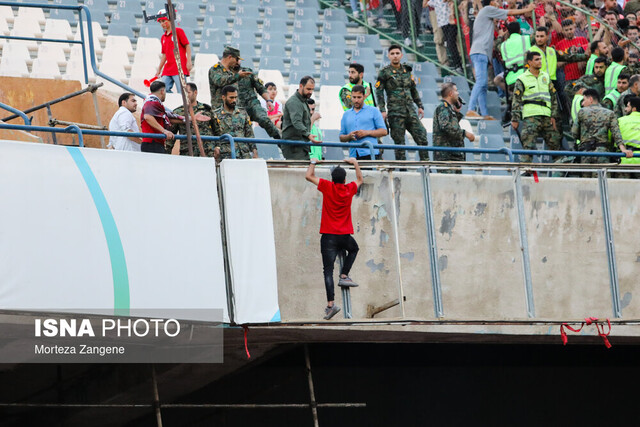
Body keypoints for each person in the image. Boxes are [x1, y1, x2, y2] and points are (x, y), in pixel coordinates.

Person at [305, 157, 363, 321]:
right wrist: (355, 163)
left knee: (328, 271)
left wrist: (314, 162)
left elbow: (309, 176)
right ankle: (344, 275)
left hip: (328, 236)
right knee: (354, 249)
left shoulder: (327, 186)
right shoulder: (349, 188)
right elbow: (360, 179)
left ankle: (331, 305)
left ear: (332, 179)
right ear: (345, 179)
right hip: (344, 235)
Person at [466, 0, 534, 119]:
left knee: (483, 86)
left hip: (482, 53)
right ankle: (470, 109)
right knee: (481, 82)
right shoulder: (488, 10)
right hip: (480, 52)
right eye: (496, 1)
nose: (498, 2)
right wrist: (528, 10)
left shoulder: (485, 14)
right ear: (491, 3)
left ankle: (485, 113)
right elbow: (510, 12)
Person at [375, 44, 428, 160]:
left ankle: (425, 165)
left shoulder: (407, 70)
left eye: (397, 53)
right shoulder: (384, 72)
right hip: (395, 113)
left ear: (401, 55)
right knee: (400, 144)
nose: (395, 56)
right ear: (388, 56)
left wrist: (420, 106)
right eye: (392, 54)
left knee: (422, 136)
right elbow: (379, 92)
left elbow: (413, 89)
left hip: (410, 111)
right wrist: (383, 110)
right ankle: (402, 170)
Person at [511, 51, 559, 163]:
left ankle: (560, 172)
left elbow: (553, 98)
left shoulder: (546, 76)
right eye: (536, 59)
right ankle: (525, 171)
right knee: (528, 146)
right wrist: (515, 118)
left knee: (555, 144)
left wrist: (554, 115)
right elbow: (516, 100)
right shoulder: (522, 78)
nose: (540, 62)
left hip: (547, 116)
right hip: (531, 116)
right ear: (529, 62)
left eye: (540, 59)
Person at [571, 88, 623, 176]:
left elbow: (574, 133)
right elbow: (616, 134)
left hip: (586, 152)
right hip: (603, 153)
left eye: (584, 100)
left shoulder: (582, 112)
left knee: (586, 185)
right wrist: (623, 149)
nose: (582, 103)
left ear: (590, 99)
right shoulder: (610, 113)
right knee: (602, 183)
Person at [233, 48, 282, 140]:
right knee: (239, 127)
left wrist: (269, 101)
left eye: (238, 60)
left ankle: (280, 143)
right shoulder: (225, 75)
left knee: (265, 120)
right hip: (236, 108)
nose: (237, 62)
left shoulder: (247, 72)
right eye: (236, 59)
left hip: (252, 105)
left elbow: (260, 88)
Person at [432, 83, 476, 172]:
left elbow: (451, 125)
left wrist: (456, 113)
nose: (458, 93)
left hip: (453, 156)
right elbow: (446, 127)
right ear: (450, 93)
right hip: (446, 157)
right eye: (456, 90)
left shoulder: (448, 108)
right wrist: (465, 133)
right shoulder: (443, 107)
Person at [166, 82, 216, 157]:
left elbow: (217, 131)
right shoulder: (178, 112)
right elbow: (171, 136)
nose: (185, 95)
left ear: (195, 92)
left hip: (207, 152)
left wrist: (218, 148)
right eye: (183, 93)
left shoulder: (207, 110)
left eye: (188, 92)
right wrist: (166, 154)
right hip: (187, 153)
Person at [339, 85, 387, 160]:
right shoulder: (346, 114)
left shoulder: (374, 111)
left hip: (370, 153)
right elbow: (341, 137)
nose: (356, 100)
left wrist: (366, 133)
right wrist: (349, 136)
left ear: (364, 97)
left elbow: (384, 131)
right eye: (354, 97)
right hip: (353, 155)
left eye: (359, 97)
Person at [211, 85, 257, 160]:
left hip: (244, 154)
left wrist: (254, 151)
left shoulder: (242, 113)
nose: (234, 100)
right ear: (223, 97)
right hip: (226, 155)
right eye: (231, 98)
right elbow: (213, 135)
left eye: (235, 97)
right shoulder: (216, 115)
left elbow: (249, 133)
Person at [140, 80, 185, 153]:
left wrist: (189, 119)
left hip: (155, 142)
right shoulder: (151, 102)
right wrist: (164, 131)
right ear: (162, 91)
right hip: (152, 143)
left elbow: (167, 118)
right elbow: (147, 116)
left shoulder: (154, 103)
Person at [281, 76, 320, 160]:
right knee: (299, 171)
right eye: (308, 89)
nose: (310, 92)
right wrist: (308, 135)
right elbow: (297, 122)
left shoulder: (303, 100)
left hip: (301, 145)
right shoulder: (294, 102)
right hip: (294, 147)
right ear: (301, 86)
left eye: (312, 89)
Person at [154, 9, 191, 94]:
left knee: (182, 92)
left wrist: (189, 61)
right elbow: (164, 55)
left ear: (170, 20)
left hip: (179, 67)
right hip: (168, 68)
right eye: (160, 22)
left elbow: (187, 46)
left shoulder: (178, 31)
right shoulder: (163, 37)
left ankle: (182, 106)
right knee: (162, 90)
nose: (162, 24)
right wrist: (159, 69)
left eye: (164, 21)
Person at [208, 46, 252, 110]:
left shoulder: (232, 71)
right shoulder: (215, 69)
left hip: (234, 110)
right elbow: (219, 81)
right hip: (220, 111)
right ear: (230, 57)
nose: (237, 62)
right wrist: (238, 76)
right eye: (236, 59)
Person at [554, 19, 589, 85]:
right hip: (569, 78)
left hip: (584, 75)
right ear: (562, 31)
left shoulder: (582, 40)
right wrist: (570, 56)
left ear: (574, 28)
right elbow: (557, 64)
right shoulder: (559, 45)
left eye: (570, 29)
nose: (569, 32)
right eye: (566, 30)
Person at [499, 22, 531, 88]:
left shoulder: (503, 45)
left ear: (508, 32)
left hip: (511, 79)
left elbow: (497, 45)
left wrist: (500, 36)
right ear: (520, 31)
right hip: (526, 75)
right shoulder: (526, 39)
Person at [617, 95, 640, 169]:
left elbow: (611, 137)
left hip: (624, 159)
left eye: (627, 106)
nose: (625, 109)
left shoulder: (620, 120)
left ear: (634, 109)